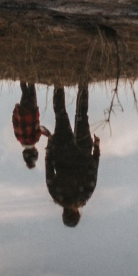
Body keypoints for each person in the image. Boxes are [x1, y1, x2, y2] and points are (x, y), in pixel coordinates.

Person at [45, 85, 100, 226]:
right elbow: (49, 167)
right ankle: (58, 83)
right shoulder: (56, 194)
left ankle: (83, 83)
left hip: (83, 151)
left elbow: (93, 170)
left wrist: (96, 147)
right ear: (63, 213)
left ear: (77, 213)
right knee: (60, 113)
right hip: (62, 150)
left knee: (82, 115)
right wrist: (51, 145)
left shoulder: (84, 196)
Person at [12, 82, 50, 168]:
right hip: (22, 110)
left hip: (31, 111)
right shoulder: (19, 138)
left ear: (34, 152)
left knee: (31, 87)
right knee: (25, 91)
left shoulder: (34, 140)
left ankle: (31, 71)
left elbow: (40, 129)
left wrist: (49, 135)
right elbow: (15, 123)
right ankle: (23, 73)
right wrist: (16, 110)